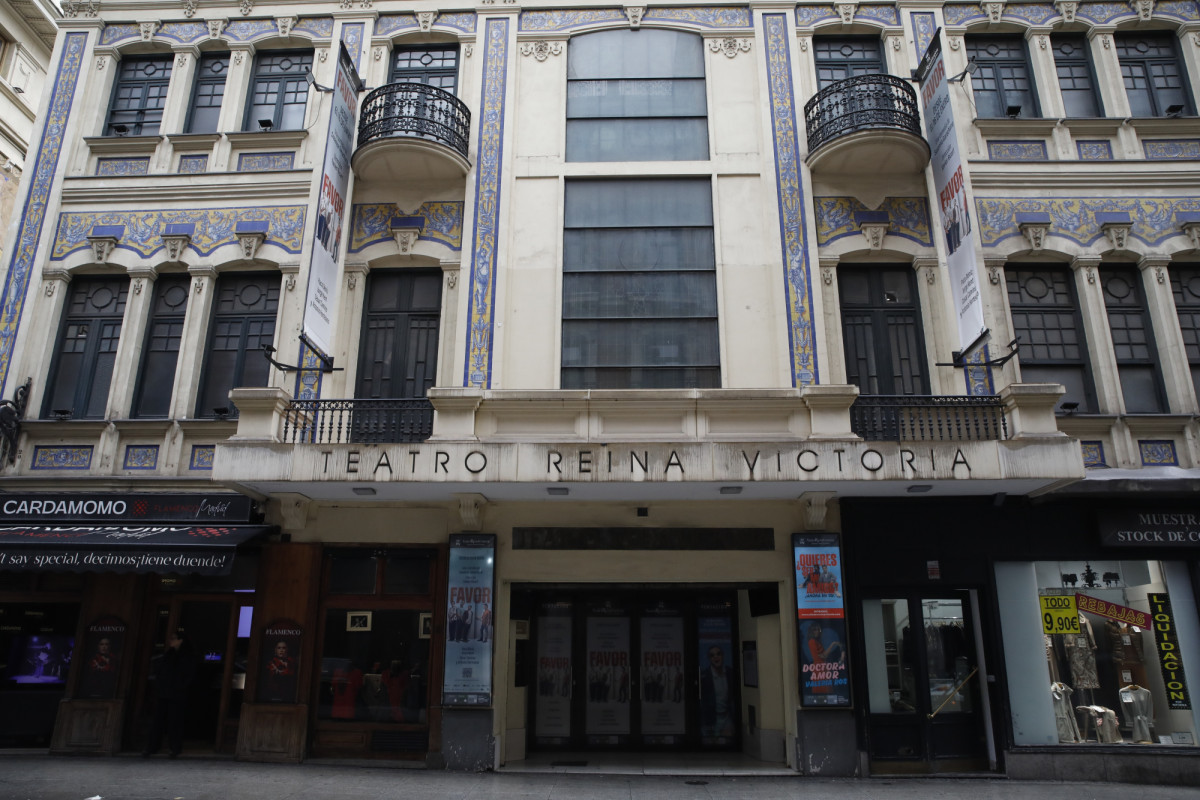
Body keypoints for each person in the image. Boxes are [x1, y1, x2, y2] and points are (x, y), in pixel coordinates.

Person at [143, 631, 196, 758]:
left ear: (181, 640)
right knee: (158, 721)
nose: (171, 641)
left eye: (174, 638)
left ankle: (174, 748)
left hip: (177, 694)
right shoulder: (169, 655)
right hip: (164, 693)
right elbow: (161, 672)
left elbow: (188, 676)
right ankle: (152, 747)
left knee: (175, 722)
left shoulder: (187, 657)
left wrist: (180, 688)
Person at [699, 645, 734, 737]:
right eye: (712, 655)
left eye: (718, 654)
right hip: (712, 719)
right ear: (709, 659)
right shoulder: (704, 676)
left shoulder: (730, 673)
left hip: (727, 717)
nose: (716, 657)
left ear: (723, 656)